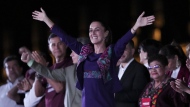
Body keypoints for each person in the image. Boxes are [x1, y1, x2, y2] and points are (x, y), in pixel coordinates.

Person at [28, 7, 155, 107]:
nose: (92, 33)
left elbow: (122, 41)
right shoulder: (84, 52)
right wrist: (46, 19)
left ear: (105, 33)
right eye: (90, 30)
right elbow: (65, 37)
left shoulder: (111, 53)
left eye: (97, 30)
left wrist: (136, 26)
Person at [21, 37, 90, 107]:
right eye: (53, 44)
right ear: (49, 47)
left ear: (66, 45)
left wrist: (43, 68)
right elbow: (38, 93)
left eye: (60, 43)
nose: (56, 47)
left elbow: (59, 88)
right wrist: (38, 69)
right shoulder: (50, 69)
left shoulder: (72, 65)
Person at [115, 40, 150, 107]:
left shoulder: (140, 69)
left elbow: (138, 94)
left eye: (124, 49)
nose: (121, 52)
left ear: (132, 51)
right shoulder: (115, 70)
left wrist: (114, 95)